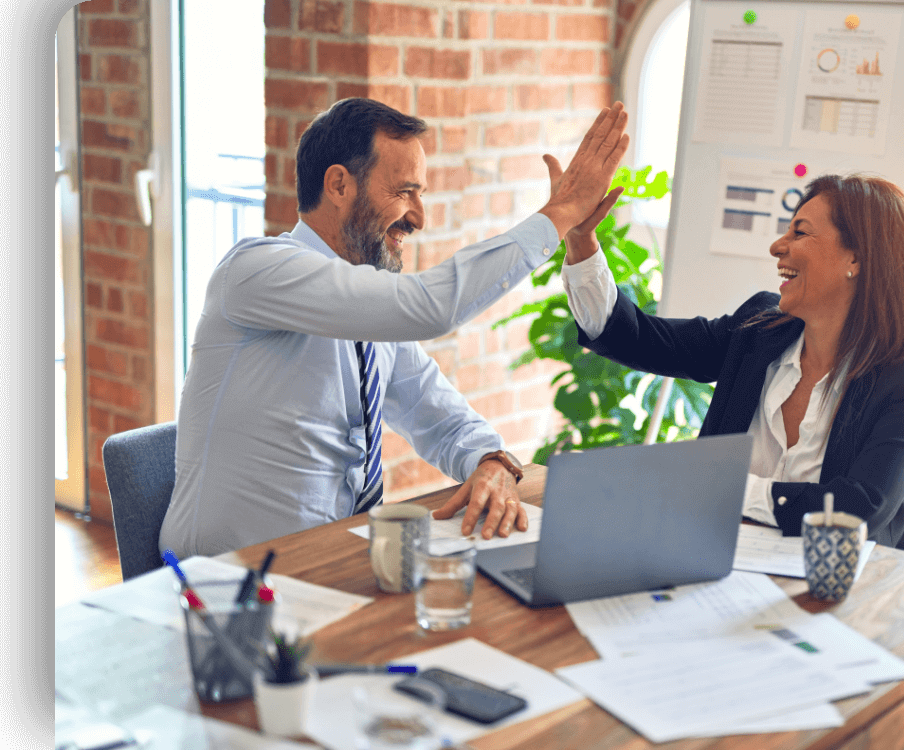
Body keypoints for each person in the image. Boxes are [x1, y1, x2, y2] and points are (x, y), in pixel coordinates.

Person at [159, 98, 629, 558]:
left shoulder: (369, 313)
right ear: (339, 185)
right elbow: (429, 307)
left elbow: (438, 414)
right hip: (224, 580)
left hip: (332, 562)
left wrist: (492, 460)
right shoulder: (257, 271)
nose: (419, 218)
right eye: (405, 192)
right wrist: (561, 213)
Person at [561, 174, 904, 547]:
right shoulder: (759, 330)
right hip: (713, 561)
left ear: (856, 258)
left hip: (834, 586)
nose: (777, 247)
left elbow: (856, 509)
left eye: (800, 232)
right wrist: (580, 240)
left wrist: (724, 487)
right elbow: (640, 339)